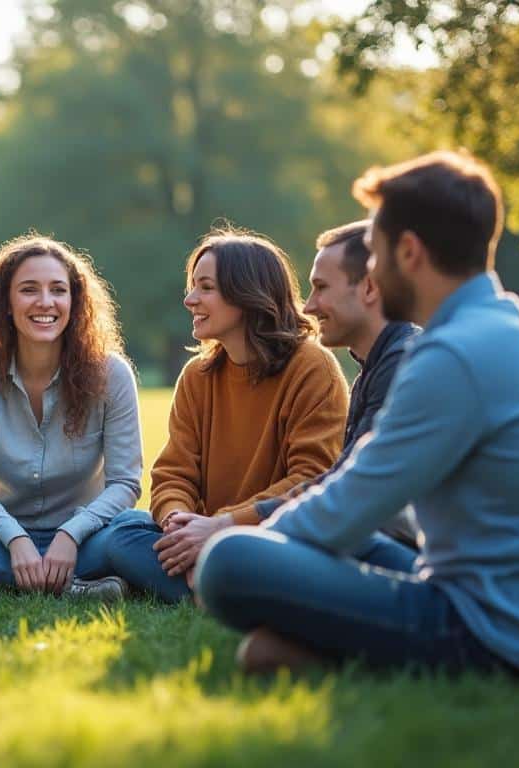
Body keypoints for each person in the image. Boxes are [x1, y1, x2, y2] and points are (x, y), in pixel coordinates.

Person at [197, 151, 519, 679]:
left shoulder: (453, 355)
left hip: (504, 633)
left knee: (228, 562)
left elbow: (352, 502)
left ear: (410, 252)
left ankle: (332, 649)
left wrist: (258, 541)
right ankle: (323, 651)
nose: (370, 272)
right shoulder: (507, 328)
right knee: (353, 548)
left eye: (373, 256)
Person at [95, 230, 348, 603]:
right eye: (192, 286)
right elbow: (173, 473)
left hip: (274, 535)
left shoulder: (312, 368)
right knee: (122, 531)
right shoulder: (197, 376)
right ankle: (214, 586)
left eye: (206, 287)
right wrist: (179, 523)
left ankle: (216, 583)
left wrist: (219, 527)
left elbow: (311, 479)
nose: (189, 299)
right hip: (201, 533)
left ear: (247, 294)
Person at [0, 235, 141, 600]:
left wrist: (70, 534)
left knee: (136, 527)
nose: (45, 302)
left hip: (86, 540)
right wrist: (15, 538)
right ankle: (71, 589)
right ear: (5, 303)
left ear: (74, 302)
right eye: (29, 290)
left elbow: (125, 483)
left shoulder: (112, 375)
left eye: (58, 290)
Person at [252, 221, 422, 553]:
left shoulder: (403, 363)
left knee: (231, 555)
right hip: (368, 536)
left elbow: (351, 489)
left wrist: (242, 525)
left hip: (403, 551)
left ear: (370, 288)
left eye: (321, 287)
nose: (308, 306)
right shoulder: (373, 369)